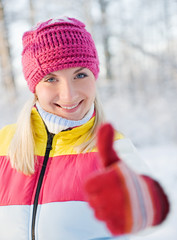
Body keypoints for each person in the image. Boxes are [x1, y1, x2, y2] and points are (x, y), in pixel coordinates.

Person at [0, 17, 169, 240]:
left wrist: (138, 205)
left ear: (94, 76)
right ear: (34, 88)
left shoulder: (112, 148)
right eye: (51, 79)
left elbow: (151, 218)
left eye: (80, 75)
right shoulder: (5, 143)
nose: (69, 94)